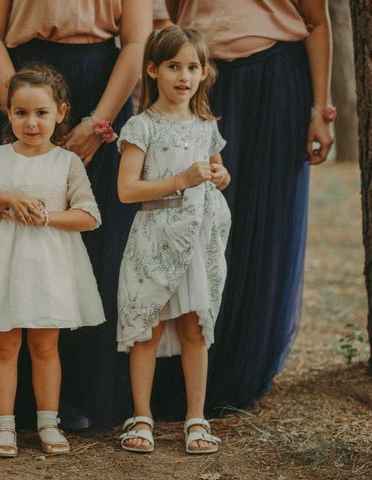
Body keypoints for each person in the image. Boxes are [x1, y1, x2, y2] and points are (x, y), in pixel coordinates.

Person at [0, 0, 152, 431]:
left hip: (102, 87)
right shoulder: (20, 112)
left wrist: (99, 121)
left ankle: (78, 395)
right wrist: (21, 107)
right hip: (19, 84)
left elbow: (136, 40)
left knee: (90, 251)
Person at [158, 1, 334, 416]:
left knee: (265, 223)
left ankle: (244, 362)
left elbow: (317, 22)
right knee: (195, 219)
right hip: (202, 80)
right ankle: (184, 360)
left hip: (274, 79)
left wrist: (320, 111)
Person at [0, 64, 105, 457]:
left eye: (41, 113)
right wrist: (5, 197)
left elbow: (90, 215)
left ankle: (48, 423)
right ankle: (4, 426)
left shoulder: (67, 163)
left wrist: (47, 217)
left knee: (46, 347)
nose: (31, 122)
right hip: (2, 268)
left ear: (61, 113)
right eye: (21, 113)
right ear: (8, 113)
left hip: (50, 268)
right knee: (4, 346)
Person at [116, 27, 231, 454]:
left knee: (193, 329)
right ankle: (141, 416)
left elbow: (219, 173)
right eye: (173, 66)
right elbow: (127, 190)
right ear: (153, 70)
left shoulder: (206, 126)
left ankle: (195, 419)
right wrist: (180, 181)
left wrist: (220, 176)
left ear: (204, 74)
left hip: (197, 242)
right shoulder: (141, 126)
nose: (184, 76)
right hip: (155, 235)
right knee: (147, 327)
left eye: (192, 67)